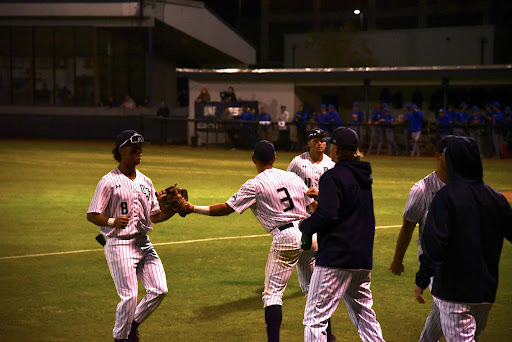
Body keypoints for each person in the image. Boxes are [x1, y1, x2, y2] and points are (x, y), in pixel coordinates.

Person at [172, 140, 318, 342]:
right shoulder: (292, 176)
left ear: (253, 160)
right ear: (274, 158)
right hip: (311, 235)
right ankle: (327, 336)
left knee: (272, 295)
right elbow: (315, 207)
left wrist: (192, 208)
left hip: (286, 238)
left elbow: (226, 208)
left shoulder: (255, 184)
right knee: (313, 291)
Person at [414, 136, 512, 342]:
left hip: (453, 291)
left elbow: (433, 245)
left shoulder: (445, 198)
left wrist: (422, 279)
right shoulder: (496, 199)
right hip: (485, 293)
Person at [87, 130, 175, 342]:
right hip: (119, 245)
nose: (139, 152)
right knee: (129, 297)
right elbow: (92, 214)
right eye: (134, 148)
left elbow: (155, 216)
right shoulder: (108, 181)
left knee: (159, 289)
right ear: (121, 151)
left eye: (140, 148)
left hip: (143, 243)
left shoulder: (146, 181)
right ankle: (121, 337)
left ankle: (131, 325)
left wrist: (175, 210)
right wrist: (111, 221)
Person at [300, 127, 385, 342]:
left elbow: (328, 214)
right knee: (365, 316)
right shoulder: (364, 177)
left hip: (335, 258)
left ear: (337, 150)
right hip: (362, 257)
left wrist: (307, 226)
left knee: (315, 318)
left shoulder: (333, 177)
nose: (328, 147)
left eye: (331, 145)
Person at [389, 135, 458, 342]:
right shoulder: (422, 190)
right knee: (448, 304)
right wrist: (397, 259)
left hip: (461, 257)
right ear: (438, 156)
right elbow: (408, 228)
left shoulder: (464, 186)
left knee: (444, 305)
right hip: (432, 258)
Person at [287, 128, 335, 198]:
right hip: (303, 206)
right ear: (308, 143)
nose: (319, 144)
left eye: (322, 141)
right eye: (315, 141)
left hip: (324, 206)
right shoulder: (297, 162)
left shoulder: (331, 164)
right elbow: (286, 182)